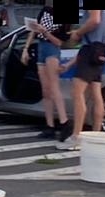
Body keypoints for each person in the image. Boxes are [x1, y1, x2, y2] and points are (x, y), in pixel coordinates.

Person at [58, 7, 105, 151]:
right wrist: (69, 64)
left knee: (77, 93)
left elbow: (94, 20)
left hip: (90, 52)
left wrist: (77, 33)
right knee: (97, 94)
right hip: (99, 51)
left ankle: (76, 137)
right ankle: (96, 136)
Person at [24, 9, 71, 142]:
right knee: (46, 90)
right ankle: (49, 125)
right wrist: (26, 49)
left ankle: (64, 123)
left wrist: (44, 31)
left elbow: (59, 42)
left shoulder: (65, 22)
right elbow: (33, 30)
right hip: (41, 48)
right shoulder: (45, 11)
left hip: (52, 49)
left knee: (54, 86)